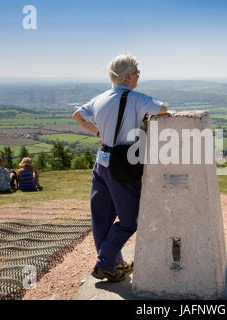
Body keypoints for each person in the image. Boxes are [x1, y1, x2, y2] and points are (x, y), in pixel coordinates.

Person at [72, 53, 167, 282]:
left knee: (101, 219)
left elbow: (77, 115)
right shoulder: (135, 98)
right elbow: (162, 109)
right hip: (123, 165)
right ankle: (105, 263)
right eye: (137, 73)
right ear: (127, 76)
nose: (138, 77)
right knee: (129, 220)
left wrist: (97, 132)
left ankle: (115, 266)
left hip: (101, 161)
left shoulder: (100, 98)